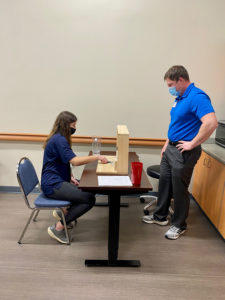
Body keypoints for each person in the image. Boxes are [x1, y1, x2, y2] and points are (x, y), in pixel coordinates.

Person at [142, 65, 218, 239]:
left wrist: (192, 144)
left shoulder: (197, 96)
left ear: (181, 80)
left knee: (179, 189)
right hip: (171, 147)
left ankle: (179, 225)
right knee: (165, 183)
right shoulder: (181, 97)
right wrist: (166, 143)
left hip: (183, 152)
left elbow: (211, 123)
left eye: (171, 85)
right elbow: (177, 124)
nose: (170, 88)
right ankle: (160, 216)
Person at [41, 111, 108, 244]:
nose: (75, 128)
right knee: (88, 199)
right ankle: (58, 228)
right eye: (73, 124)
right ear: (66, 125)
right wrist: (96, 157)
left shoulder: (59, 137)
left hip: (57, 180)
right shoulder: (59, 140)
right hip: (52, 184)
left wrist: (70, 175)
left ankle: (63, 212)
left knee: (88, 189)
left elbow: (63, 161)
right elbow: (75, 161)